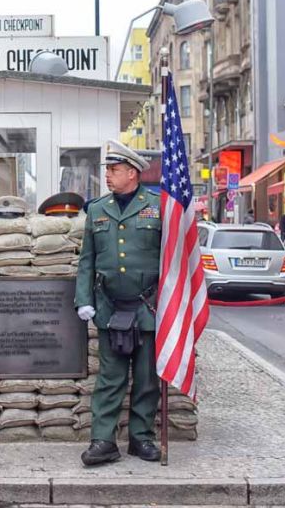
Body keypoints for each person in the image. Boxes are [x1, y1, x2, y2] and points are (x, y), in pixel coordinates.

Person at [75, 140, 162, 466]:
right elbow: (87, 260)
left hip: (147, 308)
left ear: (132, 173)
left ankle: (141, 439)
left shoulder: (157, 207)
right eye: (108, 171)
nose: (108, 176)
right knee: (110, 379)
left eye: (113, 170)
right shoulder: (97, 209)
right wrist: (84, 300)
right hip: (110, 309)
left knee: (146, 378)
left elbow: (172, 261)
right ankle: (103, 441)